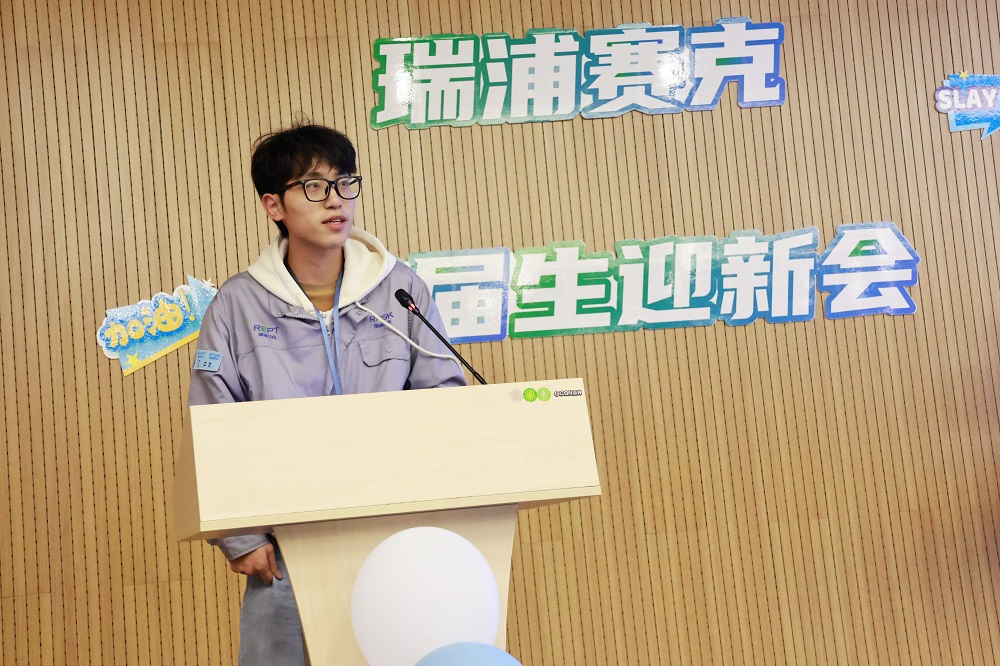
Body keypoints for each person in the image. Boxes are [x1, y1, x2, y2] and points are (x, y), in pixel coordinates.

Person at [188, 123, 467, 664]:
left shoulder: (398, 289)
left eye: (345, 183)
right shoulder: (238, 305)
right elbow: (211, 423)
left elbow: (444, 400)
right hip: (288, 545)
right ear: (273, 205)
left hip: (397, 536)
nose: (336, 200)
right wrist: (241, 537)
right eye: (314, 187)